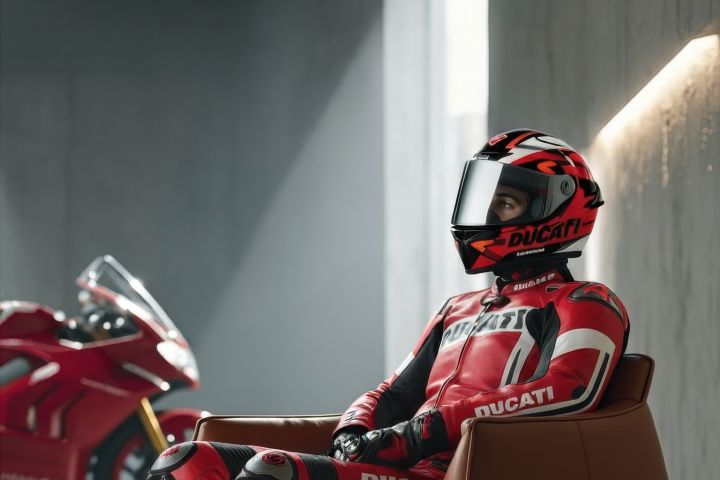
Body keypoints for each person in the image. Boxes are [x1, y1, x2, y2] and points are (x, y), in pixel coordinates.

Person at [147, 129, 629, 480]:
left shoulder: (585, 301)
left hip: (450, 472)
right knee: (185, 462)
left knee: (271, 472)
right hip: (394, 467)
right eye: (485, 201)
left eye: (504, 204)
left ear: (556, 211)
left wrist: (423, 433)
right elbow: (394, 393)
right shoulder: (457, 308)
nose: (485, 216)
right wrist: (353, 427)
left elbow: (568, 389)